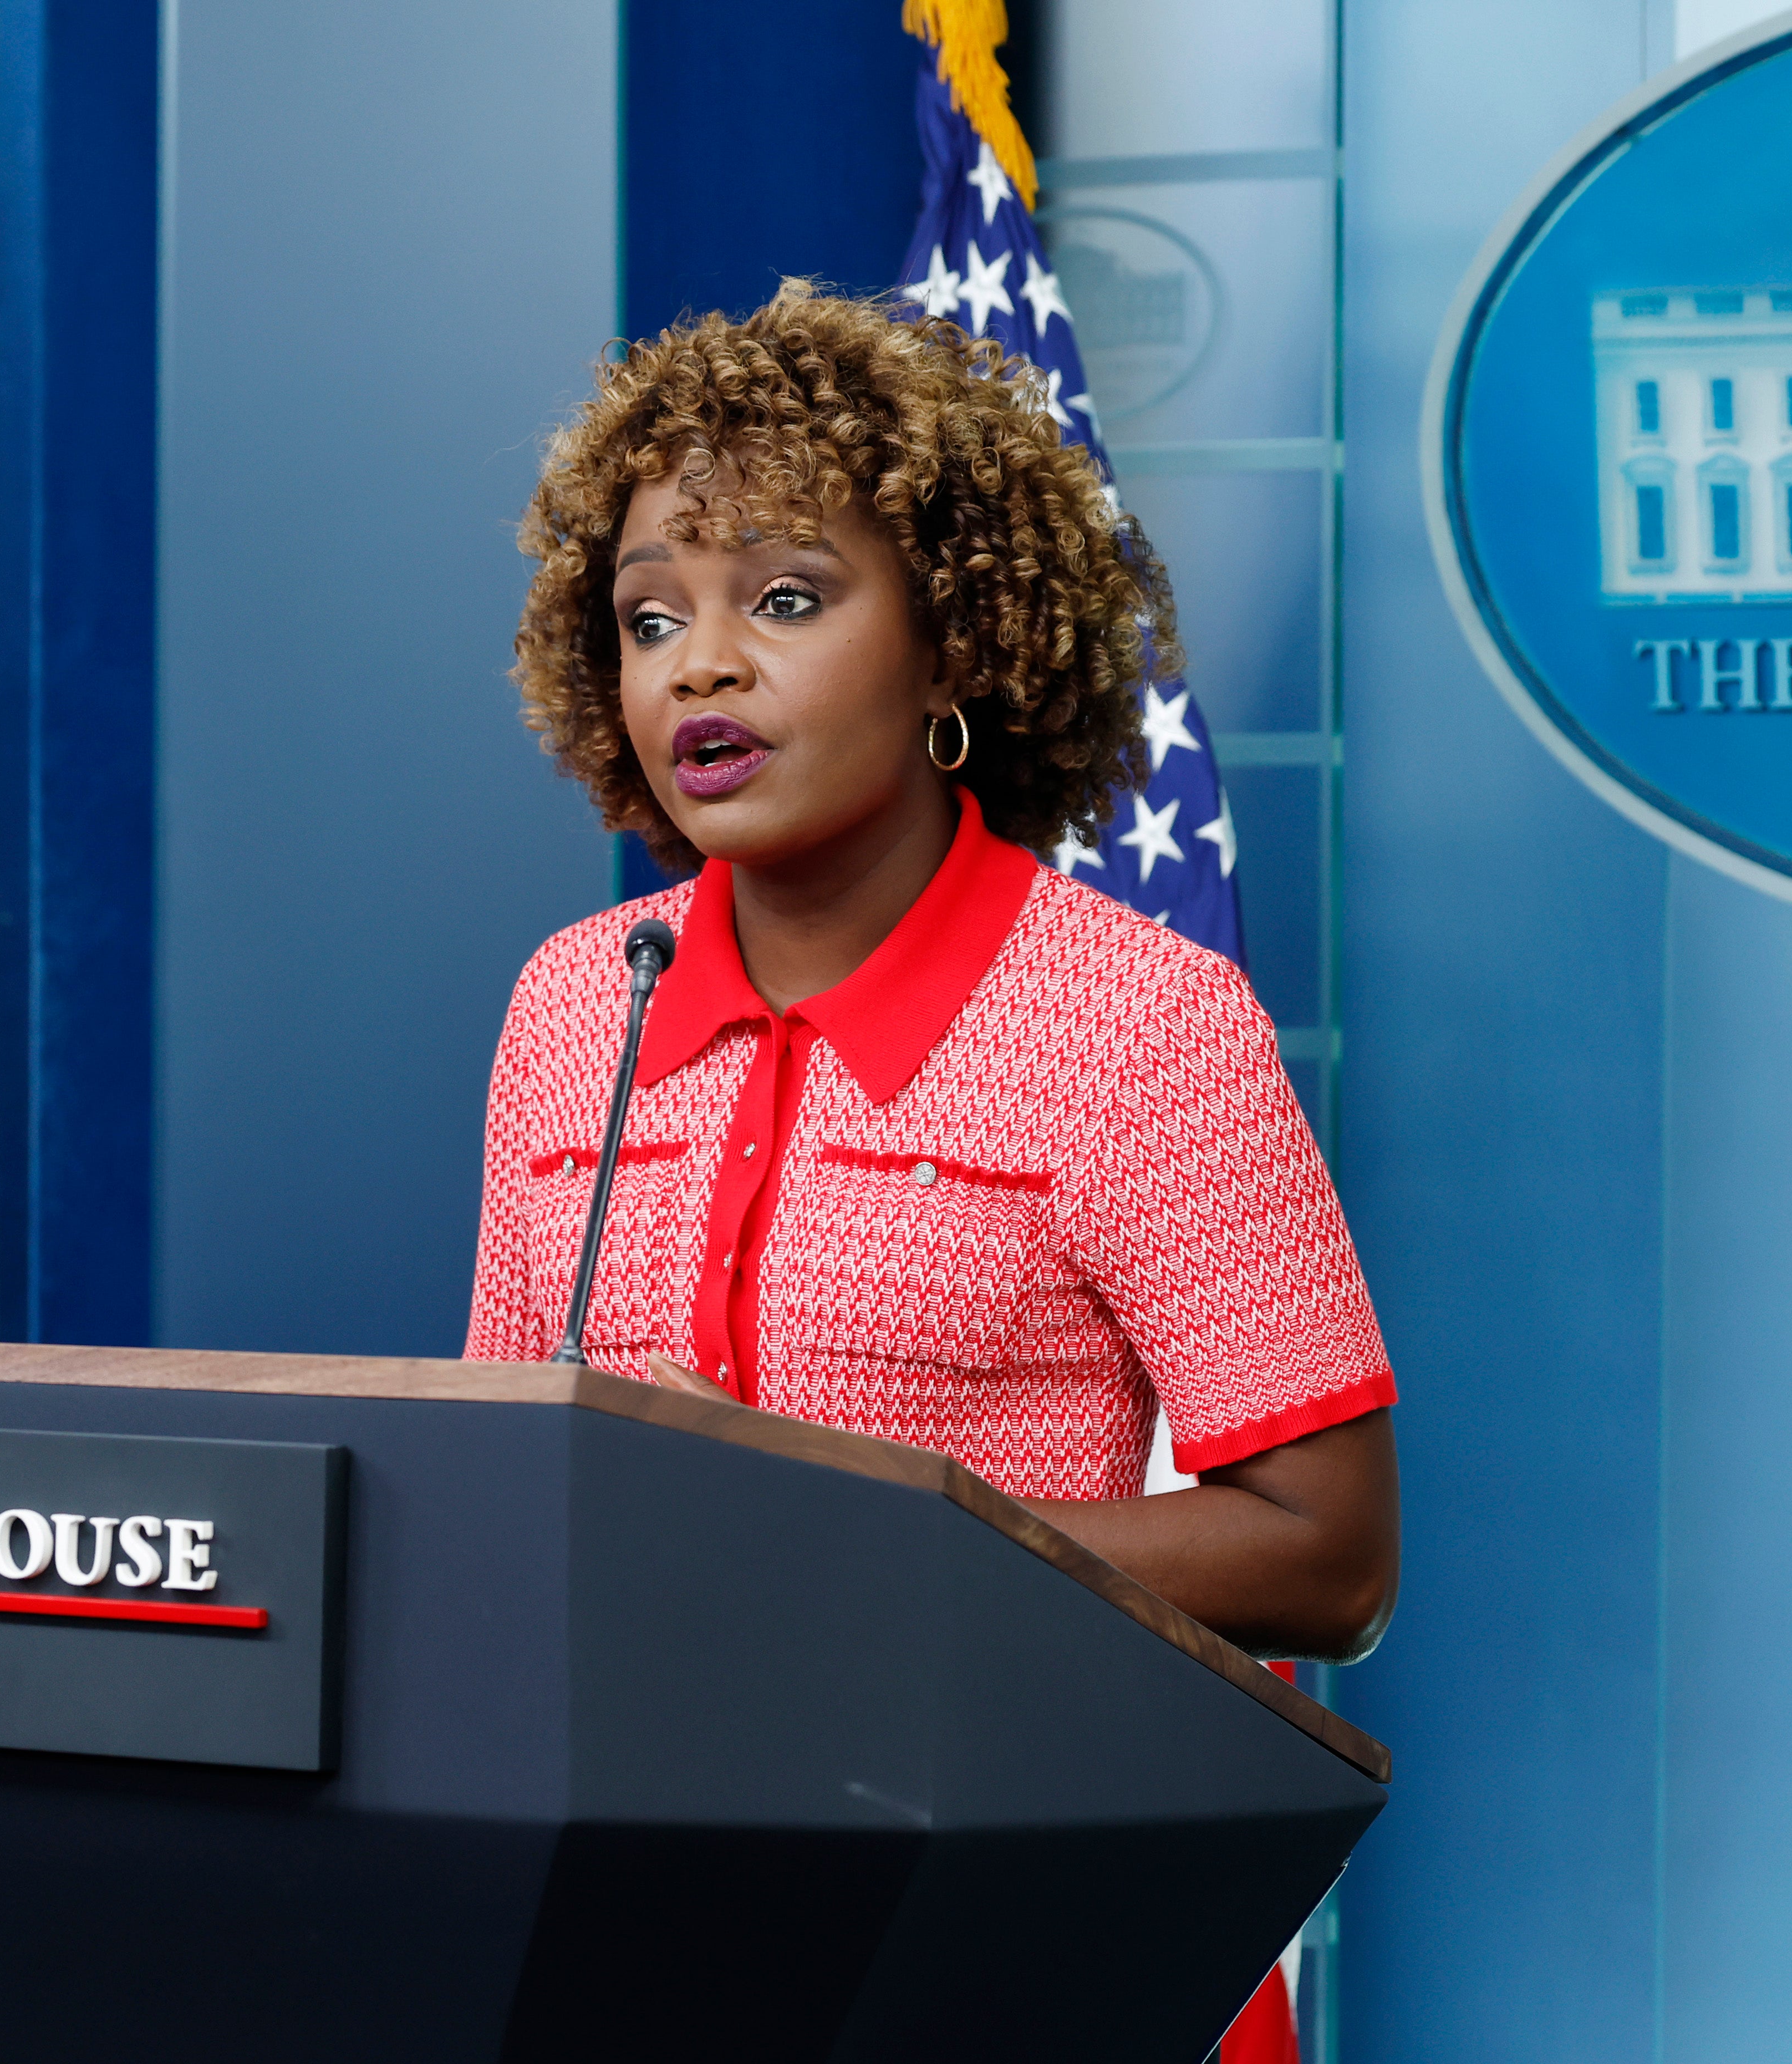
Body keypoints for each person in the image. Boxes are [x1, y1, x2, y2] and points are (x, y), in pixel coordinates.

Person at [465, 283, 1396, 1664]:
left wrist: (847, 1526)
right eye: (649, 618)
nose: (697, 666)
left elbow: (1328, 1559)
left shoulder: (1141, 1025)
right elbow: (499, 1483)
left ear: (952, 643)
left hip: (963, 1824)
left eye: (785, 599)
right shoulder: (573, 1003)